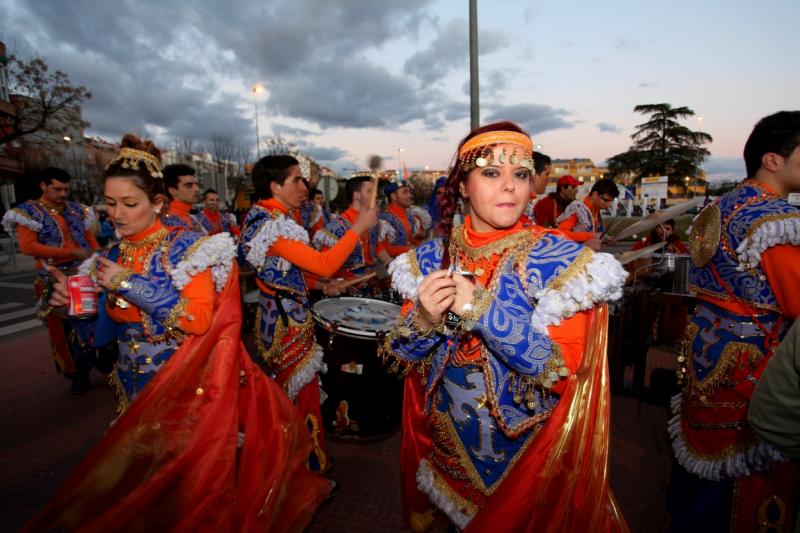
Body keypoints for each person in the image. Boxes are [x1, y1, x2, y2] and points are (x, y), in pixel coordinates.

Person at [26, 135, 330, 531]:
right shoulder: (112, 255)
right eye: (110, 202)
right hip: (134, 392)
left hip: (187, 389)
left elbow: (197, 319)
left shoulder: (187, 249)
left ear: (157, 203)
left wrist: (129, 284)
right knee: (146, 482)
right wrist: (75, 307)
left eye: (129, 204)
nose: (117, 214)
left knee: (191, 486)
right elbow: (98, 340)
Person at [381, 121, 628, 532]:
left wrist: (478, 307)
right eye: (491, 173)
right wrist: (423, 320)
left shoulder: (558, 261)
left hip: (524, 463)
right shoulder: (426, 260)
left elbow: (560, 372)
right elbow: (394, 362)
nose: (510, 187)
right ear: (462, 185)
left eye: (521, 175)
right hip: (448, 450)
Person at [667, 111, 800, 532]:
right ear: (772, 160)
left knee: (704, 473)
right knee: (749, 481)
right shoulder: (774, 221)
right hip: (756, 366)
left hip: (709, 354)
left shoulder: (719, 208)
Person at [237, 154, 378, 474]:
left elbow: (282, 271)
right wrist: (358, 227)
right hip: (288, 322)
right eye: (297, 180)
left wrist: (320, 285)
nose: (306, 185)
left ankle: (301, 460)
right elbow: (326, 262)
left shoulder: (269, 218)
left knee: (296, 394)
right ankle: (303, 468)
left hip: (282, 314)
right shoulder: (272, 226)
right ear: (275, 186)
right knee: (301, 398)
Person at [2, 167, 100, 394]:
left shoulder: (77, 210)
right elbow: (28, 247)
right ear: (43, 186)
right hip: (52, 276)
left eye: (66, 189)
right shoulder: (29, 212)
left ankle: (95, 361)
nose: (63, 193)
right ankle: (76, 373)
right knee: (63, 330)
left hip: (83, 273)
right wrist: (70, 253)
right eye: (57, 189)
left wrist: (98, 256)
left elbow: (90, 239)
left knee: (91, 320)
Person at [312, 176, 393, 296]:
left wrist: (394, 266)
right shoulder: (335, 227)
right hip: (344, 291)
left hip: (370, 289)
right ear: (357, 195)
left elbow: (377, 247)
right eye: (369, 191)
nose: (375, 195)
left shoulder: (373, 221)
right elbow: (325, 265)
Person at [557, 177, 619, 251]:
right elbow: (560, 233)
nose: (608, 205)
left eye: (610, 201)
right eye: (605, 200)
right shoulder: (577, 209)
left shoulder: (596, 210)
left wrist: (604, 238)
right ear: (595, 194)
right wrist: (591, 236)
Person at [379, 176, 418, 257]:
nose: (410, 195)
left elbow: (413, 241)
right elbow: (382, 249)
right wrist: (409, 249)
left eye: (410, 192)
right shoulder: (384, 218)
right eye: (405, 192)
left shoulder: (410, 217)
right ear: (393, 196)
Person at [162, 163, 205, 232]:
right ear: (173, 191)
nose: (197, 189)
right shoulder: (167, 221)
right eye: (188, 185)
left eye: (196, 184)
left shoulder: (192, 218)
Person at [521, 152, 553, 224]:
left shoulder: (525, 201)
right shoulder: (519, 206)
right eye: (547, 174)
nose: (548, 179)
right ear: (533, 175)